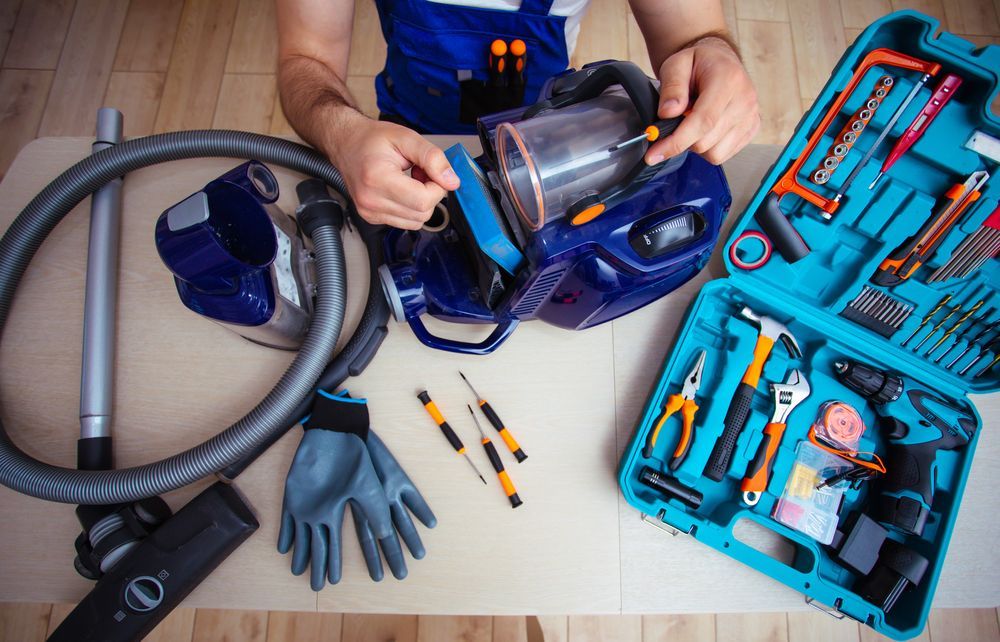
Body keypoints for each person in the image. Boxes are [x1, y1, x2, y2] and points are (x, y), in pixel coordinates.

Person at [276, 0, 759, 230]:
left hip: (555, 142)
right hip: (403, 142)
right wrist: (343, 133)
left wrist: (714, 55)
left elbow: (692, 34)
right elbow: (305, 60)